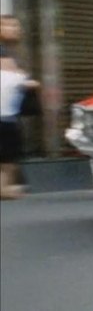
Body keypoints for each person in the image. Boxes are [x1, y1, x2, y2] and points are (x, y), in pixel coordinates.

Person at [1, 14, 39, 200]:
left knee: (9, 152)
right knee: (8, 151)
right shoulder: (3, 52)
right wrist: (27, 81)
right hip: (4, 113)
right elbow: (9, 78)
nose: (15, 29)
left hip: (7, 112)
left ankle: (6, 186)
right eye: (8, 25)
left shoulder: (9, 51)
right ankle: (4, 187)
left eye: (16, 25)